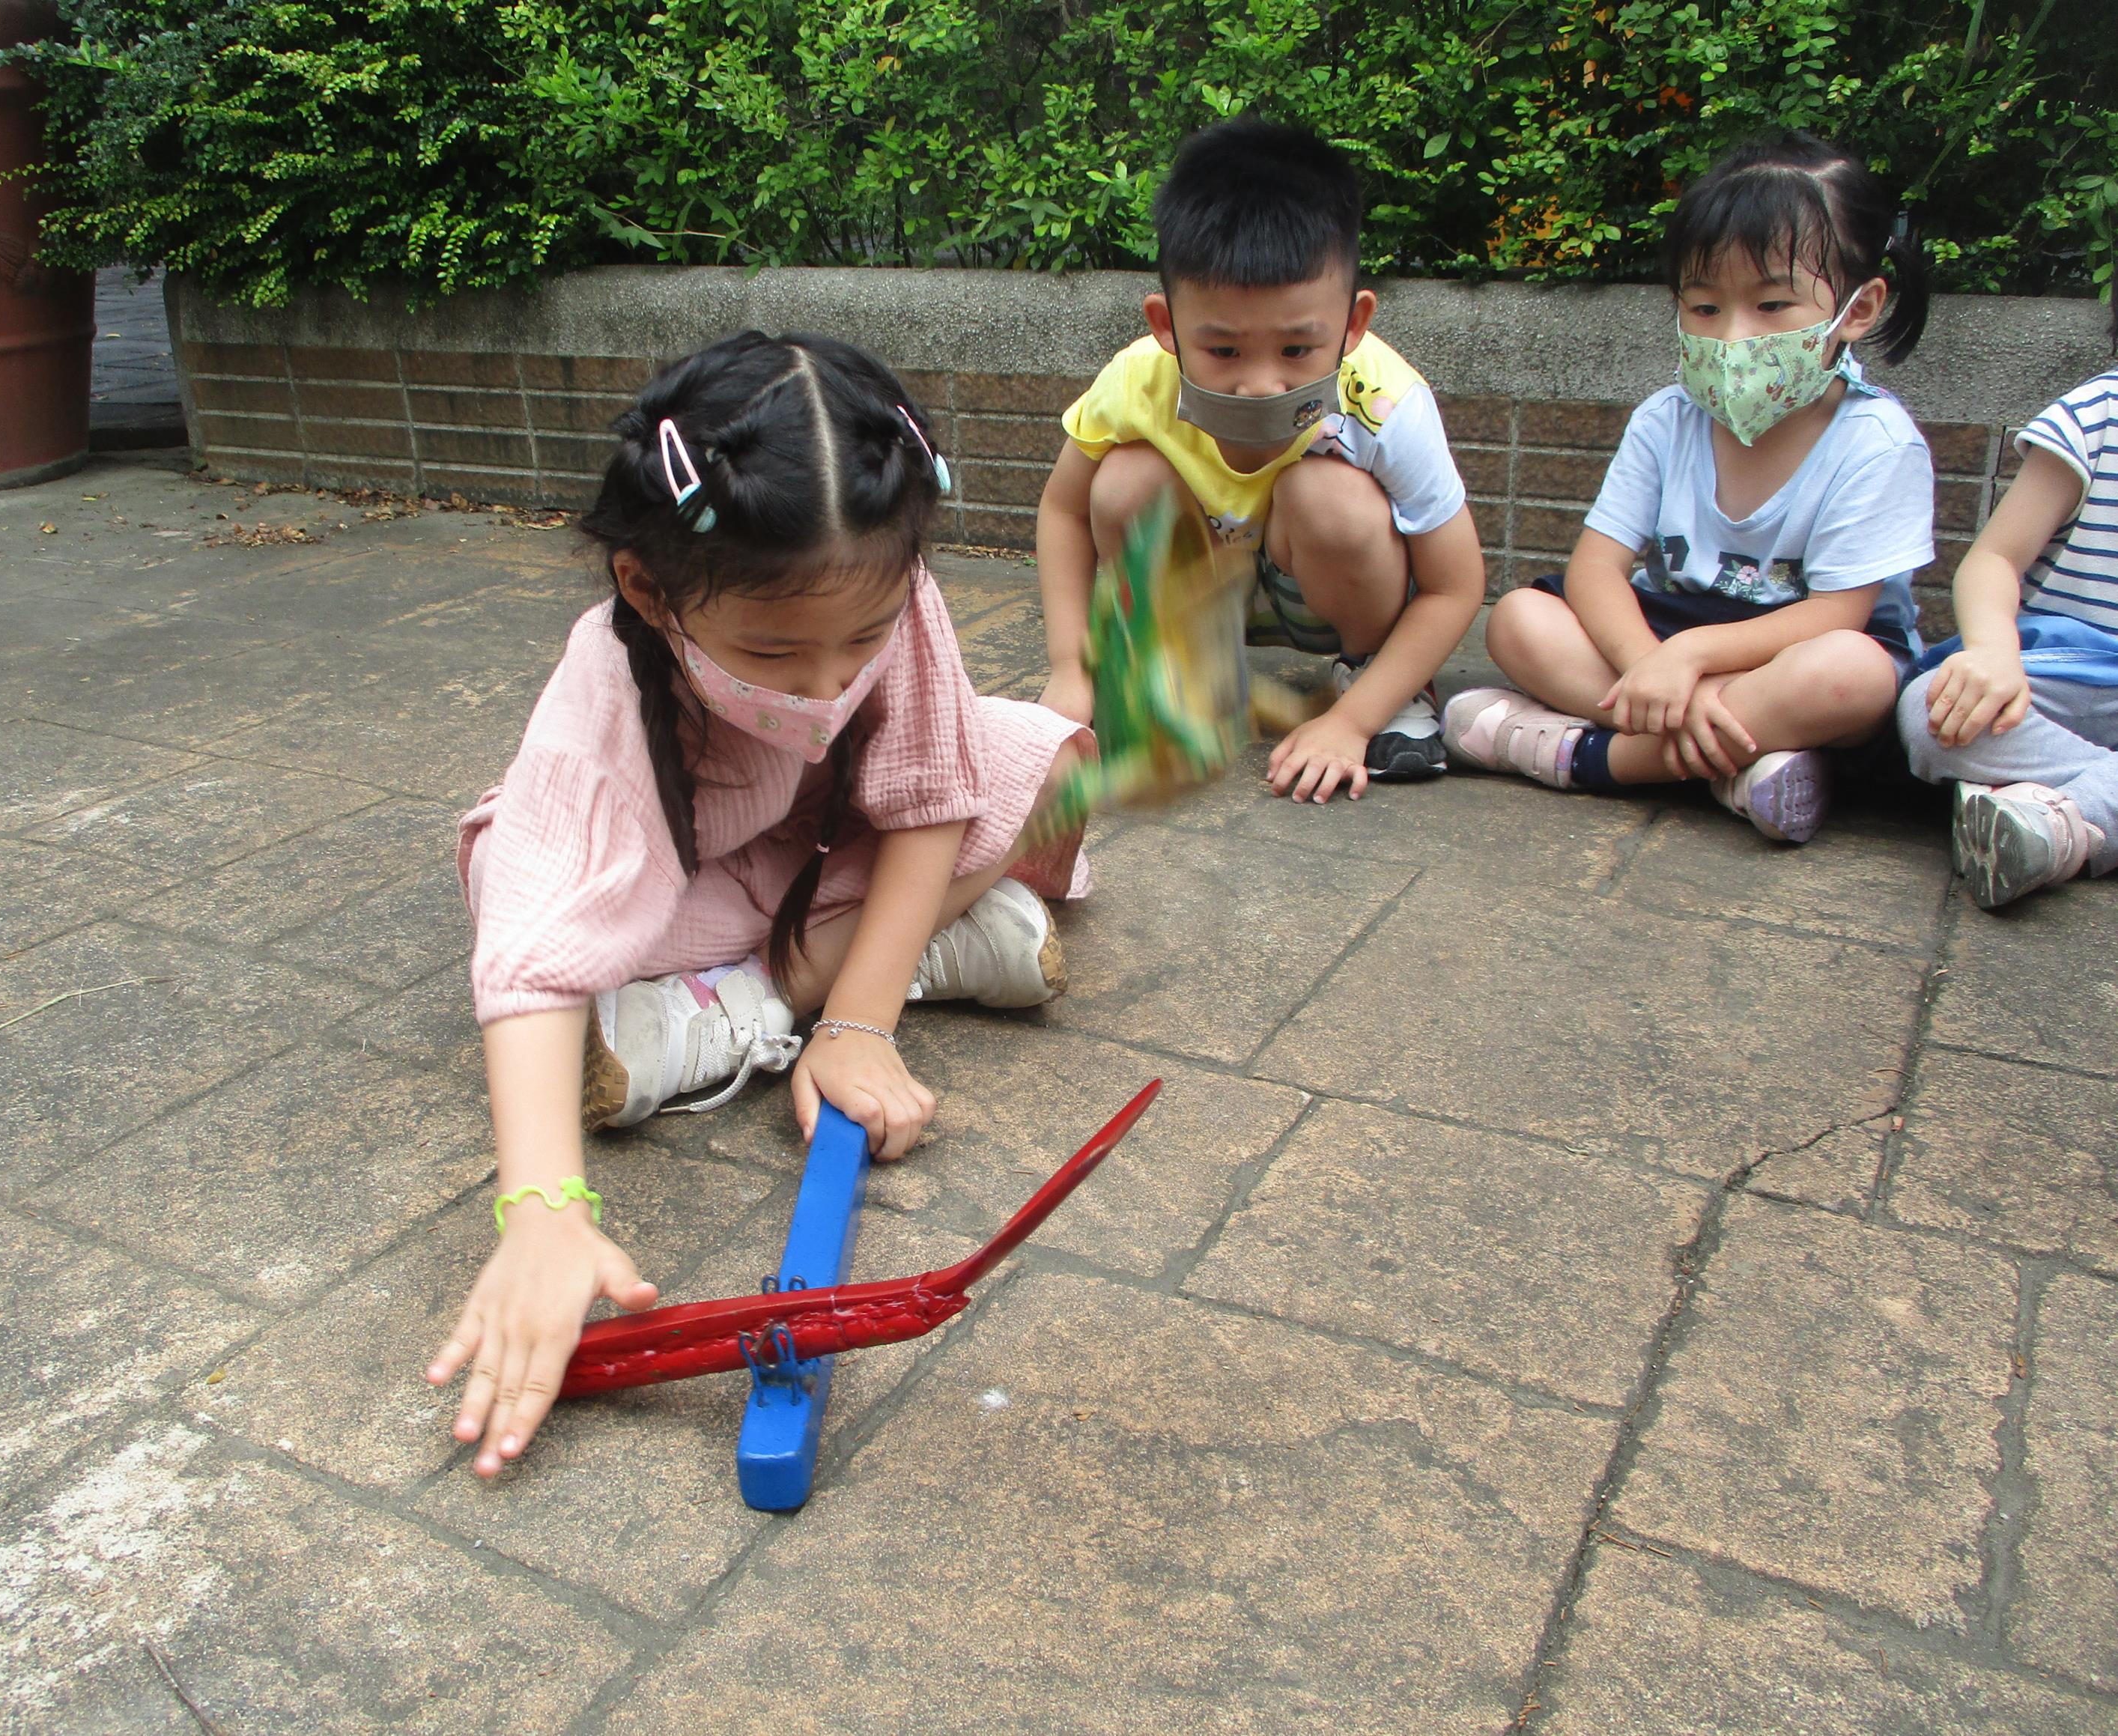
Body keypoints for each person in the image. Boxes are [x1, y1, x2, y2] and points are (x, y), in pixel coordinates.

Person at [428, 332, 1089, 1477]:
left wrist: (858, 1026)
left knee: (1053, 764)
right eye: (774, 651)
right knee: (513, 886)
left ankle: (769, 999)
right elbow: (540, 940)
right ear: (648, 587)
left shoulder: (893, 585)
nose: (827, 685)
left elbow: (929, 794)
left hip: (827, 853)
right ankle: (873, 955)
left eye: (862, 640)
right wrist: (541, 1206)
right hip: (681, 888)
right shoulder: (606, 679)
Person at [1443, 131, 1935, 844]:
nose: (1732, 337)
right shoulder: (1666, 417)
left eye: (1772, 306)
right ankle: (1743, 761)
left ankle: (1584, 757)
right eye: (1704, 308)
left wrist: (1689, 661)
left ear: (1856, 310)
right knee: (1517, 618)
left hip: (1795, 652)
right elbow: (1595, 569)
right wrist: (1650, 665)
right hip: (1666, 635)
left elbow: (1835, 614)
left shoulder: (1876, 443)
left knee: (1850, 675)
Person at [1034, 118, 1485, 804]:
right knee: (1123, 479)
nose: (1261, 384)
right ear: (1165, 326)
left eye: (1297, 350)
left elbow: (1455, 584)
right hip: (1203, 593)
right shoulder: (1136, 381)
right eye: (1222, 351)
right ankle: (1172, 674)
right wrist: (1070, 668)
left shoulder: (1385, 401)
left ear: (1353, 324)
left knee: (1330, 500)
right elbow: (1064, 510)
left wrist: (1349, 724)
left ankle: (1378, 685)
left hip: (1328, 591)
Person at [1899, 359, 2118, 906]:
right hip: (2069, 677)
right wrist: (1993, 653)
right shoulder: (2098, 414)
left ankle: (2052, 823)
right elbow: (1993, 558)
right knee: (1933, 708)